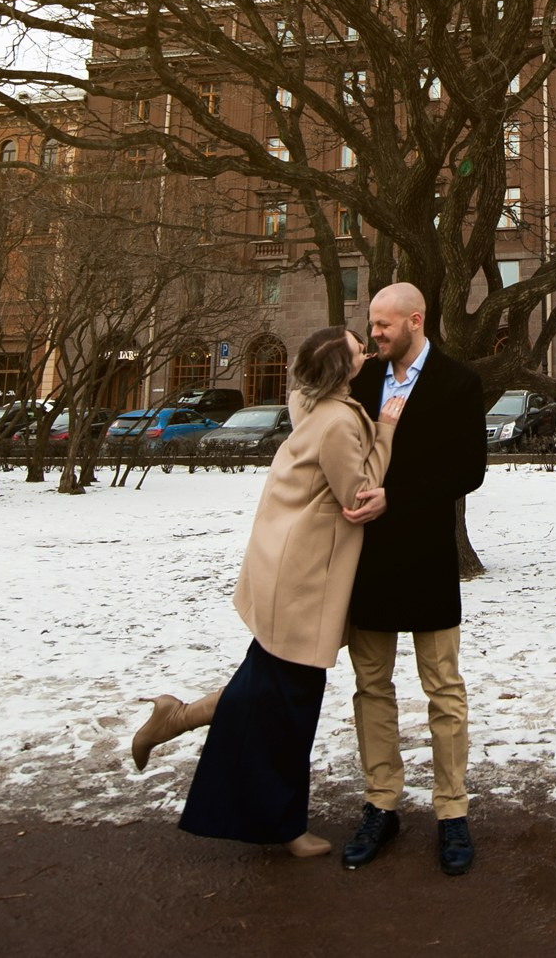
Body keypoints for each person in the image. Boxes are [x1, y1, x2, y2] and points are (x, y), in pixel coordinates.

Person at [129, 325, 392, 856]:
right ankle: (283, 825)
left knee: (269, 688)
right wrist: (386, 430)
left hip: (284, 567)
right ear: (343, 371)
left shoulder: (308, 404)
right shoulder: (338, 422)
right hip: (305, 578)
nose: (366, 346)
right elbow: (358, 495)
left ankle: (175, 717)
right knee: (287, 705)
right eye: (356, 346)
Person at [338, 282, 488, 876]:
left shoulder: (458, 383)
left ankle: (452, 811)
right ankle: (382, 803)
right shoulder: (363, 382)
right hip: (367, 559)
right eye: (372, 325)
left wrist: (393, 499)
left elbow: (467, 470)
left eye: (382, 325)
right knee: (371, 686)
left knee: (442, 688)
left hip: (426, 556)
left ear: (415, 321)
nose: (373, 334)